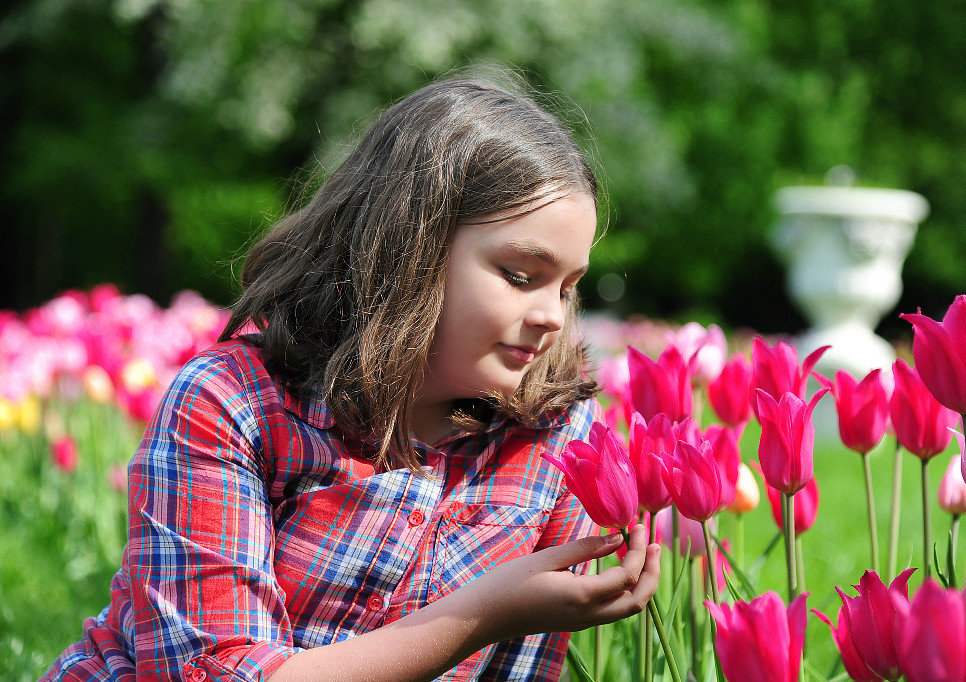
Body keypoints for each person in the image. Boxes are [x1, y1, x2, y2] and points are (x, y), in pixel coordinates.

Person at [44, 70, 661, 682]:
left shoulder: (554, 439)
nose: (553, 316)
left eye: (569, 287)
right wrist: (479, 616)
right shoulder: (233, 404)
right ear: (408, 247)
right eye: (522, 276)